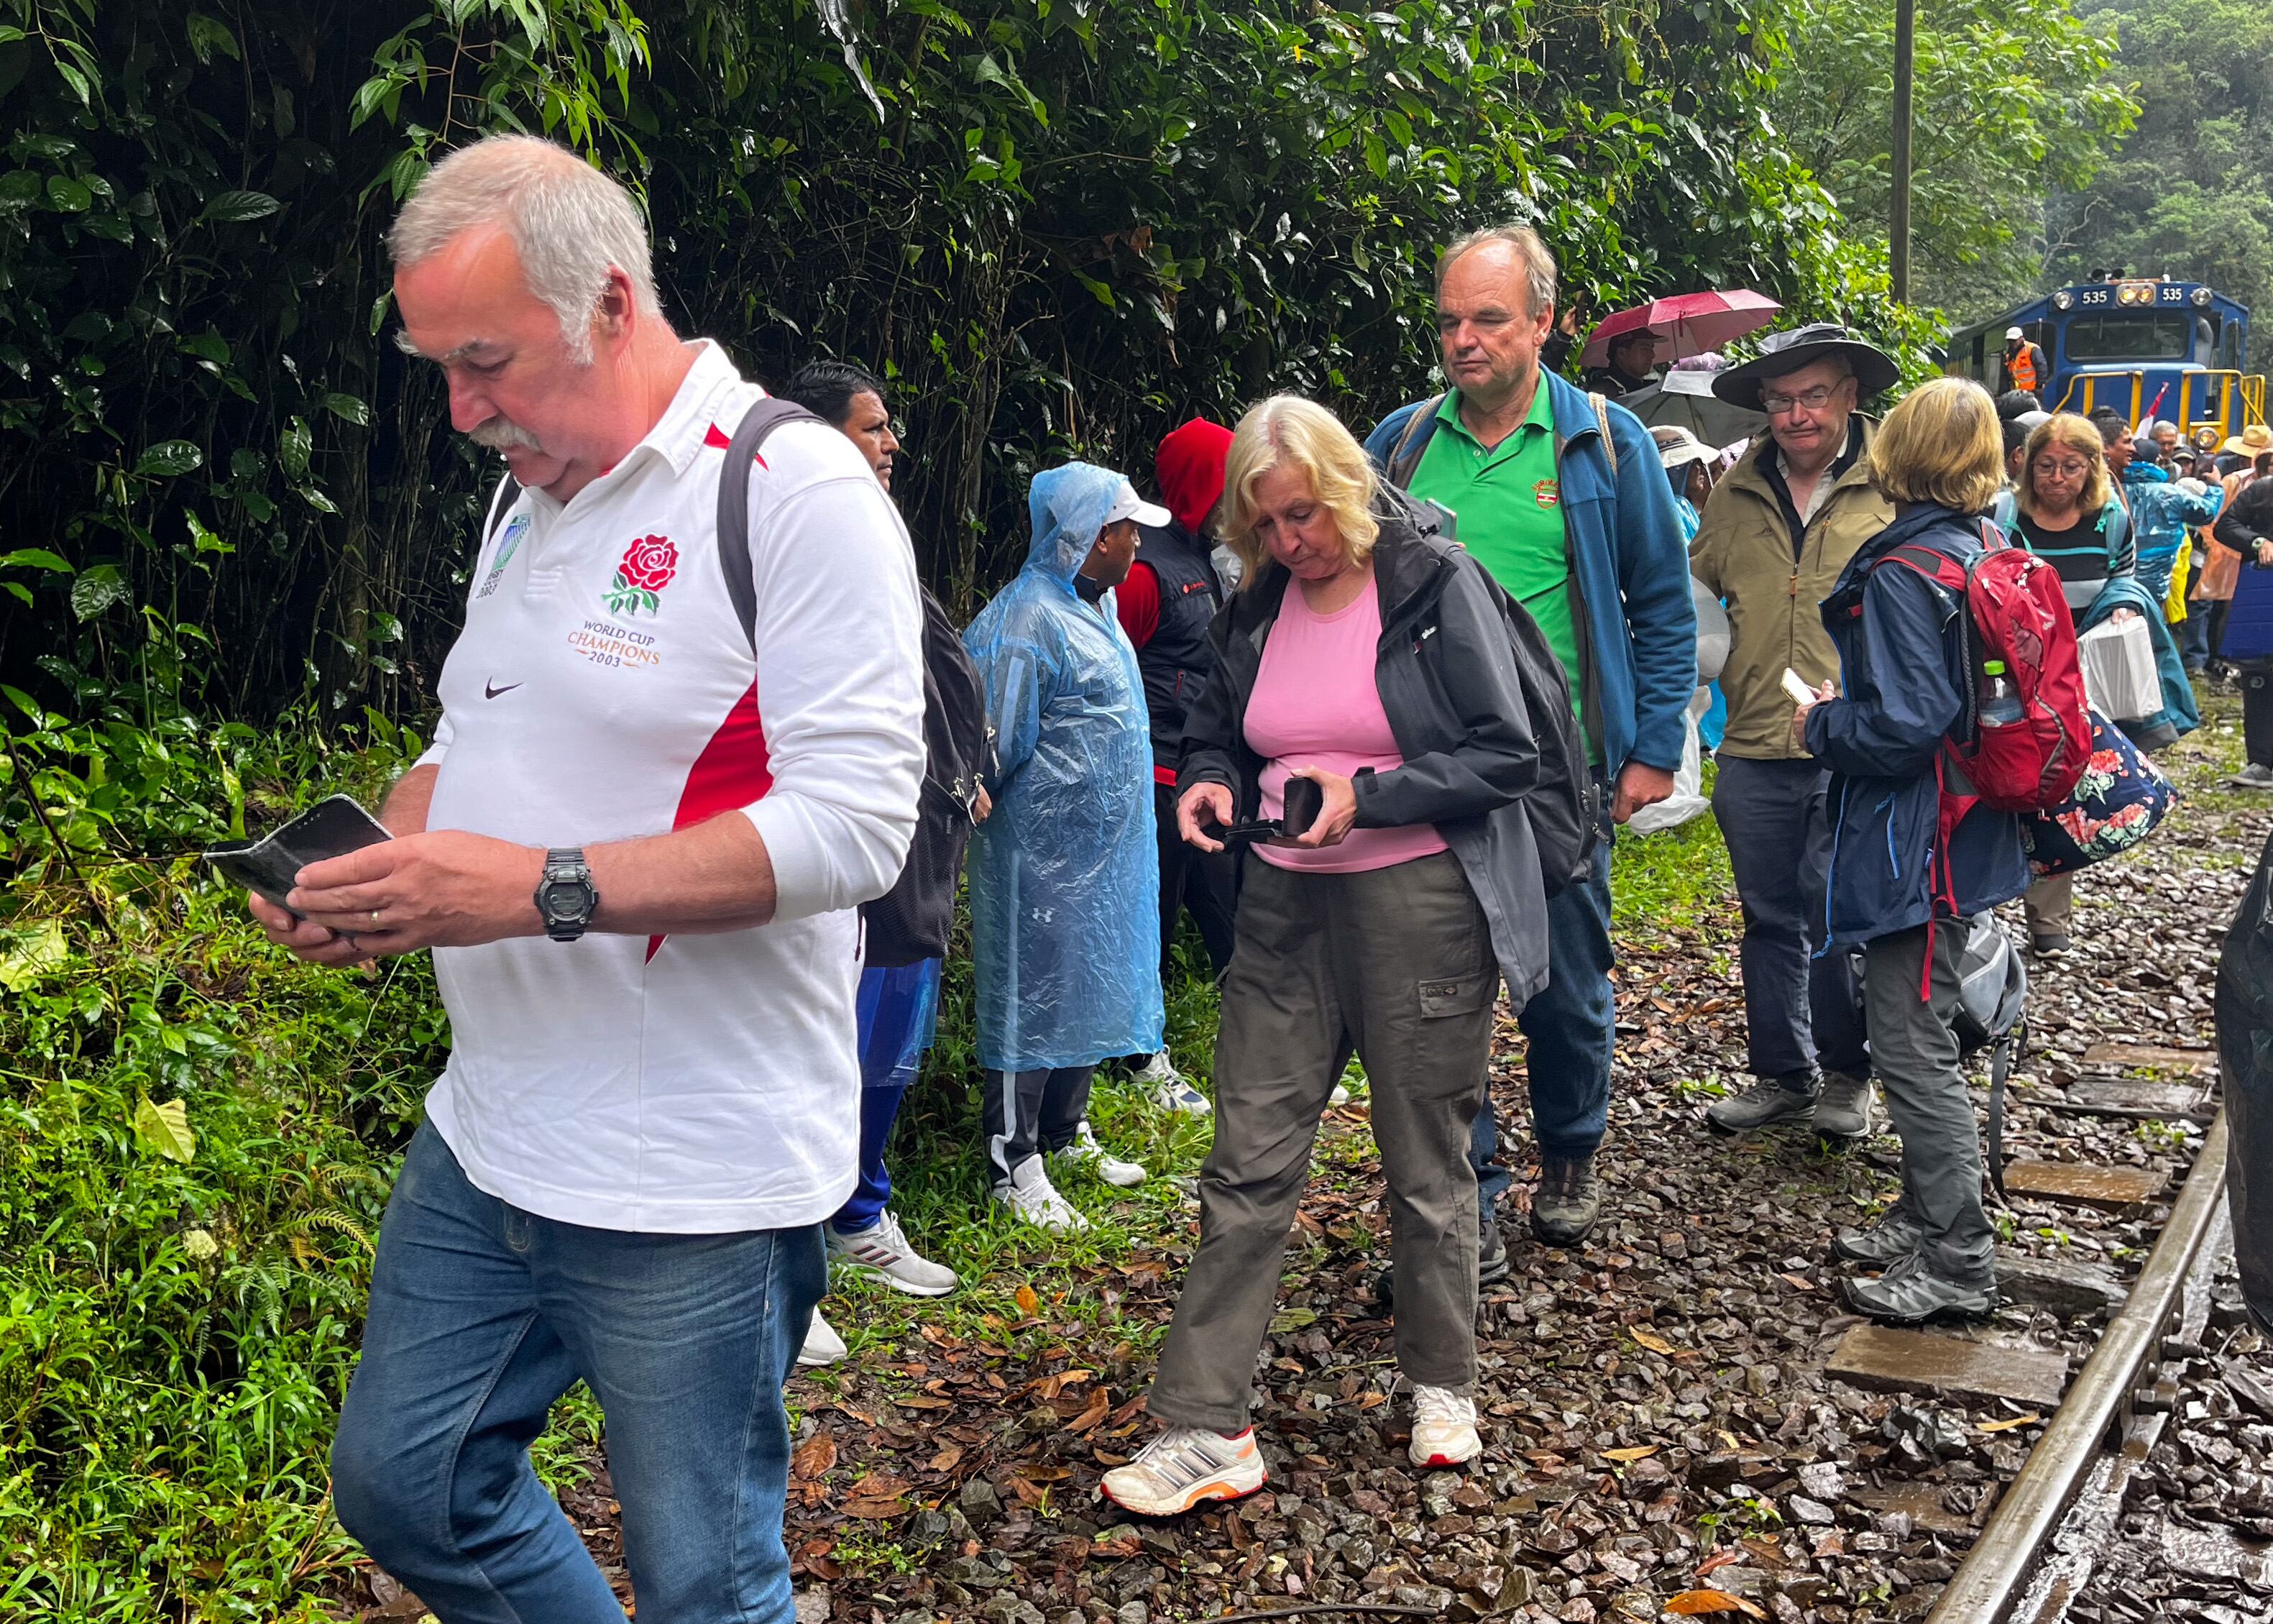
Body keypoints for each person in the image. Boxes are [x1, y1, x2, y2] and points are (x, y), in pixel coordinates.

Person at [256, 136, 928, 1624]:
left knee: (707, 1583)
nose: (460, 409)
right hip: (490, 1130)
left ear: (610, 302)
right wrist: (378, 858)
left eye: (485, 361)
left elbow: (857, 828)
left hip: (692, 1168)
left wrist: (533, 888)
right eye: (439, 366)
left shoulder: (790, 491)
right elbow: (467, 735)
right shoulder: (529, 497)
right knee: (410, 1484)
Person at [1100, 396, 1549, 1514]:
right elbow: (1214, 723)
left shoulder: (1433, 585)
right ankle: (1205, 1423)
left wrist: (1372, 793)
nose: (1287, 539)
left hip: (1418, 900)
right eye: (1264, 523)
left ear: (1345, 489)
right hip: (1280, 904)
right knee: (1245, 1157)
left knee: (1425, 1153)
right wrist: (1209, 778)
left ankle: (1441, 1381)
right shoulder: (1256, 599)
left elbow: (1507, 751)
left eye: (1301, 514)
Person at [1364, 223, 1695, 1252]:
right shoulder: (1400, 444)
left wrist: (1650, 748)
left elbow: (1661, 603)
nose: (1463, 341)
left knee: (1562, 987)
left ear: (1544, 322)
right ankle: (1467, 1187)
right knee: (1433, 993)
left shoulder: (1599, 441)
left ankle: (1570, 1144)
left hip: (1559, 769)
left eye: (1488, 320)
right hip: (1430, 767)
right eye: (1448, 322)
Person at [1796, 376, 2029, 1323]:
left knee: (1908, 1041)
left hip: (1913, 841)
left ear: (1897, 451)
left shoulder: (1903, 570)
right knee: (1919, 1029)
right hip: (1970, 824)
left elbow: (1903, 724)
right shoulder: (1984, 548)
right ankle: (1922, 1213)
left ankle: (1958, 1257)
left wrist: (1822, 723)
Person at [778, 360, 965, 1368]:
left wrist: (961, 771)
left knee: (889, 1043)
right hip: (837, 848)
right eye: (871, 427)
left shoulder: (880, 531)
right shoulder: (786, 539)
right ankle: (788, 1262)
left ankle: (859, 1211)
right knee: (818, 1051)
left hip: (915, 838)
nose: (891, 444)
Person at [1689, 324, 1896, 1142]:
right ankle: (1784, 1073)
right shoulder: (1735, 492)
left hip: (1856, 745)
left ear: (1850, 395)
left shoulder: (1896, 482)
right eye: (1780, 400)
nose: (1796, 415)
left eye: (1814, 395)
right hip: (1752, 738)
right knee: (1768, 915)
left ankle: (1851, 1073)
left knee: (1840, 910)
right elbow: (1696, 597)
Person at [963, 463, 1165, 1230]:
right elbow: (994, 745)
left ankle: (1062, 1131)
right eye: (1127, 528)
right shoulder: (1027, 622)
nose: (1137, 541)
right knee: (1031, 997)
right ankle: (1012, 1160)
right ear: (1092, 537)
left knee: (1082, 985)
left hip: (1101, 859)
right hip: (1038, 857)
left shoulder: (1097, 606)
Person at [1116, 417, 1237, 1118]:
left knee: (1233, 913)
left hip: (1205, 773)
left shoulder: (1205, 554)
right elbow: (1115, 668)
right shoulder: (1144, 568)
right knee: (1152, 924)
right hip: (1155, 777)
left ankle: (1267, 1047)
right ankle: (1140, 1058)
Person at [1999, 412, 2144, 955]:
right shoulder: (2005, 515)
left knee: (2057, 791)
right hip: (2008, 673)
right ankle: (1984, 906)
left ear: (2092, 468)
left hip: (2076, 676)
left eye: (2071, 467)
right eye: (2046, 466)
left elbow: (2124, 578)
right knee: (2000, 782)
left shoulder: (2111, 520)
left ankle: (2048, 919)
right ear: (2026, 465)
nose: (2057, 478)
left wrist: (2123, 606)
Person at [2215, 459, 2273, 790]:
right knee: (2258, 675)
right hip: (2263, 594)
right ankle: (2262, 762)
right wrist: (2258, 543)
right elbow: (2226, 526)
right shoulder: (2264, 490)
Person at [1653, 424, 1717, 538]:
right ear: (1679, 470)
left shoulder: (1677, 507)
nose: (1703, 469)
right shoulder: (1678, 508)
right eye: (1697, 462)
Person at [1584, 326, 1661, 399]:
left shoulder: (1647, 386)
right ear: (1622, 353)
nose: (1652, 355)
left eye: (1651, 348)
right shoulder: (1604, 392)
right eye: (1645, 349)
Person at [1999, 326, 2047, 398]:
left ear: (2022, 338)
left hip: (2032, 392)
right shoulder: (2009, 354)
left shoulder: (2032, 349)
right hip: (2016, 393)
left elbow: (2041, 367)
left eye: (2014, 340)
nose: (2012, 343)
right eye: (2010, 341)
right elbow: (2005, 374)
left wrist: (2039, 386)